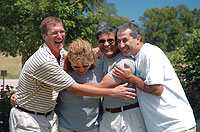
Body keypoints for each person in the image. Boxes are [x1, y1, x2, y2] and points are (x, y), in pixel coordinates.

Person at [8, 17, 136, 132]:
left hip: (50, 118)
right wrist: (114, 92)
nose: (59, 36)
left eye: (61, 32)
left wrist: (95, 51)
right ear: (44, 36)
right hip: (29, 118)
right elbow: (76, 89)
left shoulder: (62, 55)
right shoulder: (45, 60)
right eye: (54, 33)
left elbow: (79, 54)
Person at [113, 22, 196, 132]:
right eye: (118, 41)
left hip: (176, 126)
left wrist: (130, 78)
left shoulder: (150, 53)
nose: (121, 45)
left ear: (138, 39)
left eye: (125, 40)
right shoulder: (135, 57)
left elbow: (157, 89)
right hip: (160, 127)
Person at [89, 22, 147, 132]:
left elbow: (102, 86)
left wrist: (73, 86)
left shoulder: (125, 62)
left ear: (117, 41)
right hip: (108, 116)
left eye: (110, 40)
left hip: (128, 117)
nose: (106, 44)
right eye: (102, 41)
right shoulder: (102, 56)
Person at [55, 39, 104, 132]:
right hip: (64, 127)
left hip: (92, 127)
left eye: (86, 66)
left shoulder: (100, 66)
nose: (81, 70)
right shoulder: (61, 70)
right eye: (76, 66)